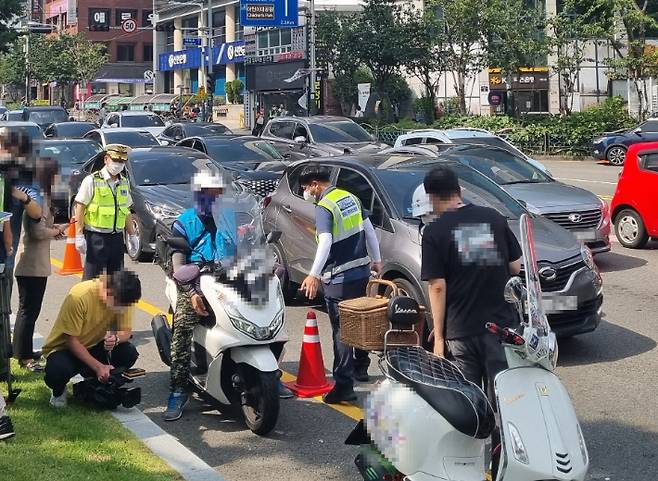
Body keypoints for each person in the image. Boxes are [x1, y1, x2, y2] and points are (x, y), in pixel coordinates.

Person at [420, 165, 521, 397]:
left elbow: (437, 286)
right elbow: (515, 267)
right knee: (504, 397)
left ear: (431, 198)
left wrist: (439, 337)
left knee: (469, 400)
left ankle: (476, 433)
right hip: (500, 326)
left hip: (461, 330)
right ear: (459, 190)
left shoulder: (434, 232)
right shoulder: (493, 218)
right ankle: (502, 433)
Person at [298, 165, 383, 404]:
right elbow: (369, 231)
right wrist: (376, 260)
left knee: (342, 331)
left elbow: (325, 241)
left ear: (315, 184)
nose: (306, 193)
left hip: (338, 278)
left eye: (306, 188)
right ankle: (361, 368)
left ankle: (344, 384)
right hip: (361, 272)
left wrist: (314, 274)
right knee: (360, 320)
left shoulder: (325, 206)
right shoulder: (350, 197)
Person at [43, 269, 141, 408]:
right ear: (108, 292)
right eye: (121, 305)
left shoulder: (123, 296)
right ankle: (58, 392)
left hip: (95, 345)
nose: (123, 309)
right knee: (57, 370)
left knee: (128, 352)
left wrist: (116, 339)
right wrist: (98, 367)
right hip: (66, 349)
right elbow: (71, 340)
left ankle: (95, 385)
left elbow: (126, 331)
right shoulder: (80, 295)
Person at [12, 157, 66, 371]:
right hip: (30, 264)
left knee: (30, 310)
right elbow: (36, 231)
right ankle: (24, 357)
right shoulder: (37, 199)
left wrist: (55, 230)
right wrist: (56, 231)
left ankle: (24, 351)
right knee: (28, 310)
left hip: (35, 263)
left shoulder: (42, 196)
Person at [73, 144, 139, 280]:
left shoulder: (124, 182)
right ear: (106, 159)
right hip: (96, 237)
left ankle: (112, 302)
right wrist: (78, 235)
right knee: (91, 280)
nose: (118, 164)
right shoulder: (92, 180)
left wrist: (132, 235)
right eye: (115, 160)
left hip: (117, 238)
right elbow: (80, 207)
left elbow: (125, 210)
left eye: (121, 162)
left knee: (116, 281)